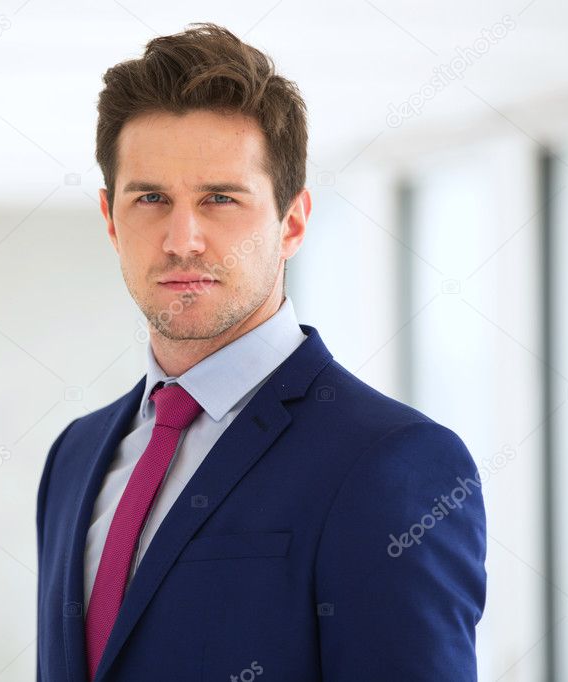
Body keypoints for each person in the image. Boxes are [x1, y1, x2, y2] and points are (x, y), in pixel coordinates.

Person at [36, 22, 486, 681]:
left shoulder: (395, 465)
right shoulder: (74, 455)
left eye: (219, 199)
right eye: (150, 199)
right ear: (110, 219)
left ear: (293, 222)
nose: (181, 239)